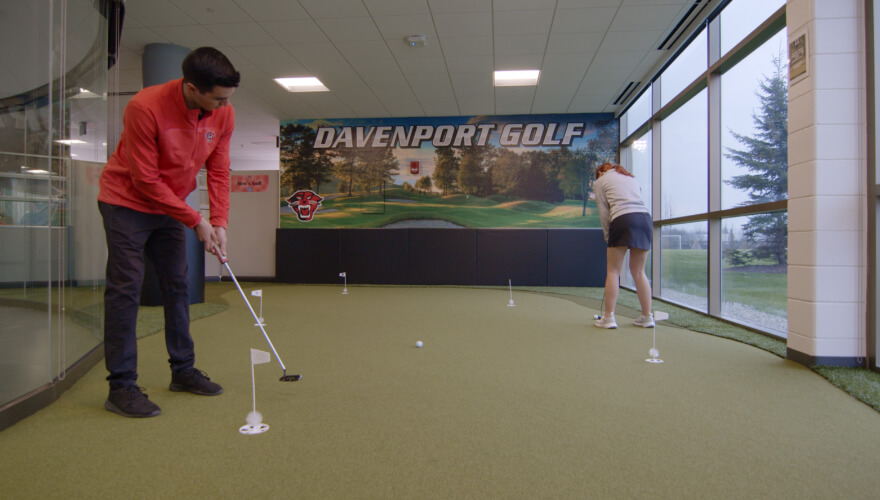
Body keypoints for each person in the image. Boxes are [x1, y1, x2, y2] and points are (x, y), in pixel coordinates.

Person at [97, 47, 239, 418]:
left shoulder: (223, 113)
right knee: (126, 288)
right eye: (219, 99)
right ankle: (121, 386)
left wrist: (219, 220)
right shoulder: (144, 107)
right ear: (192, 88)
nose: (225, 107)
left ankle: (183, 370)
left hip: (170, 206)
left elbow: (220, 170)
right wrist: (195, 219)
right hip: (126, 203)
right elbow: (144, 180)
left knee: (178, 285)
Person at [592, 162, 654, 329]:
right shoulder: (630, 178)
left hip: (622, 219)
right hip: (645, 220)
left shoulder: (600, 182)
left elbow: (604, 211)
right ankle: (647, 316)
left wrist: (608, 236)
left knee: (613, 270)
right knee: (639, 271)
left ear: (601, 171)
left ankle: (608, 317)